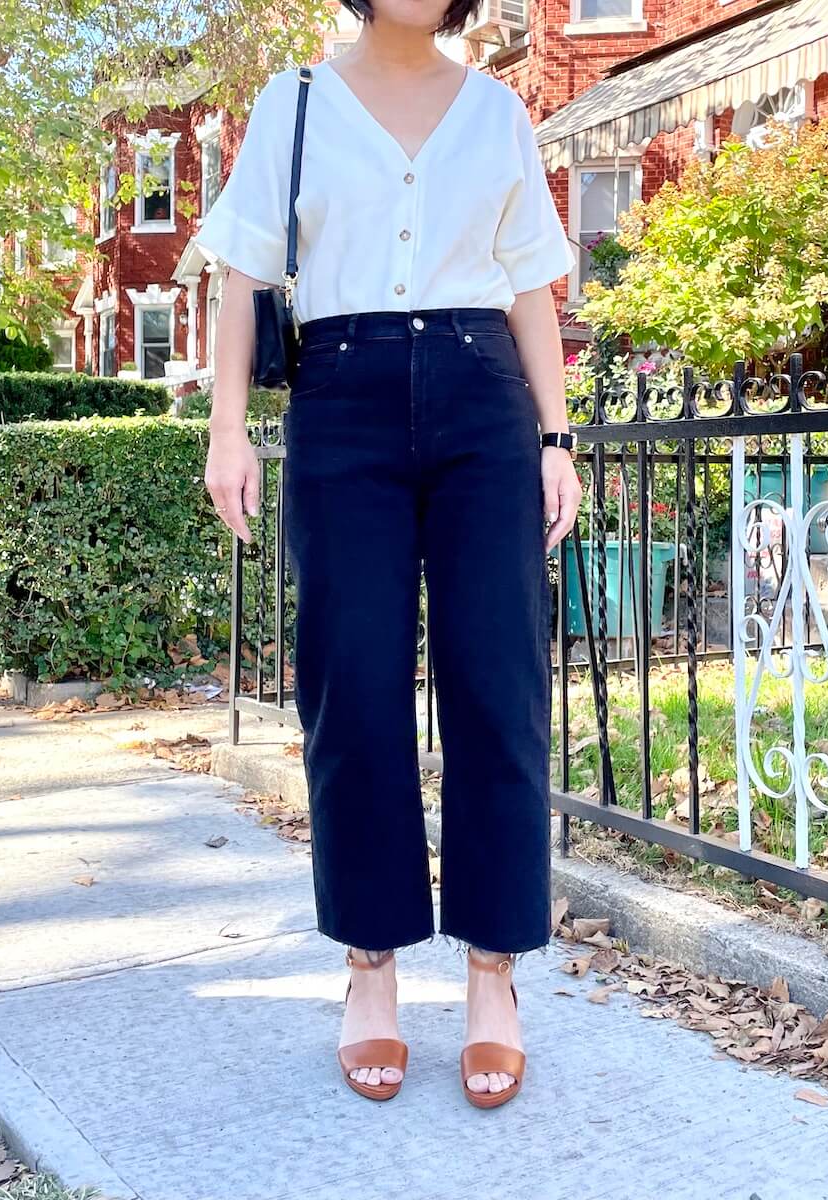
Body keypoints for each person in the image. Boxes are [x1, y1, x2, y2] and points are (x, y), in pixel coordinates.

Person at [198, 0, 583, 1109]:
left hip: (482, 401)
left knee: (497, 686)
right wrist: (230, 429)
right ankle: (370, 967)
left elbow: (529, 286)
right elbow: (241, 272)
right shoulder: (297, 102)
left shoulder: (501, 109)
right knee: (352, 685)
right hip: (344, 399)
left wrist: (557, 439)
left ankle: (493, 978)